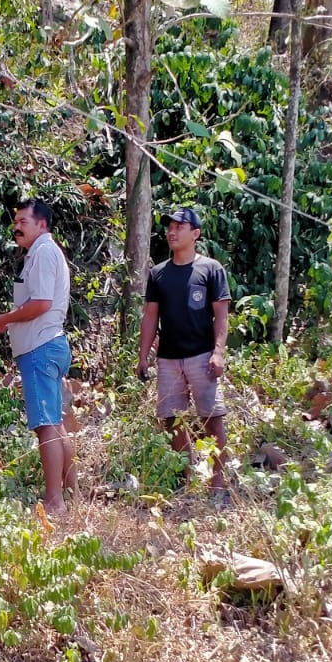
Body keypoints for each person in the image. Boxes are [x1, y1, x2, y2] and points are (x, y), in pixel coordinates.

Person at [0, 198, 74, 515]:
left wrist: (2, 320)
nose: (17, 226)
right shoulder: (38, 254)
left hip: (41, 346)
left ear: (42, 225)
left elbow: (41, 304)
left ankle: (55, 501)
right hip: (46, 345)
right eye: (16, 220)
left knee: (45, 425)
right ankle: (69, 493)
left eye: (24, 221)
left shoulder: (45, 252)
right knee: (56, 424)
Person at [136, 206, 232, 495]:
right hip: (168, 358)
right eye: (170, 226)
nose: (172, 231)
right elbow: (151, 316)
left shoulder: (211, 269)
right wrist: (143, 356)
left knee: (212, 419)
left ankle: (219, 484)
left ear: (196, 233)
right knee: (172, 420)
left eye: (180, 226)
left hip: (202, 356)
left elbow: (222, 315)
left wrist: (218, 353)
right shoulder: (158, 274)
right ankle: (190, 481)